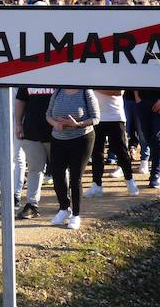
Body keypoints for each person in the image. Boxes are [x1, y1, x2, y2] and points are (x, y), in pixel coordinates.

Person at [46, 88, 100, 230]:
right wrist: (55, 124)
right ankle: (64, 209)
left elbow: (96, 118)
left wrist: (77, 124)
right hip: (58, 138)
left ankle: (76, 214)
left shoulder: (85, 91)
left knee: (75, 178)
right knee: (57, 175)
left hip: (82, 138)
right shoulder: (58, 91)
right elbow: (48, 115)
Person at [85, 90, 139, 198]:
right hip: (96, 116)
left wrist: (94, 87)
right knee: (96, 153)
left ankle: (129, 180)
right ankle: (96, 184)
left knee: (121, 151)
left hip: (115, 116)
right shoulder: (92, 73)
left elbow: (119, 92)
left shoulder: (116, 73)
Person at [14, 87, 55, 219]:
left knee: (60, 169)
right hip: (32, 129)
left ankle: (65, 204)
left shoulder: (60, 73)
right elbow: (20, 100)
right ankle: (32, 205)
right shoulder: (29, 75)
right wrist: (18, 124)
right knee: (34, 169)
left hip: (57, 131)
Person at [135, 89, 160, 188]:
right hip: (143, 100)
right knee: (147, 136)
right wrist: (137, 97)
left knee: (157, 136)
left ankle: (156, 174)